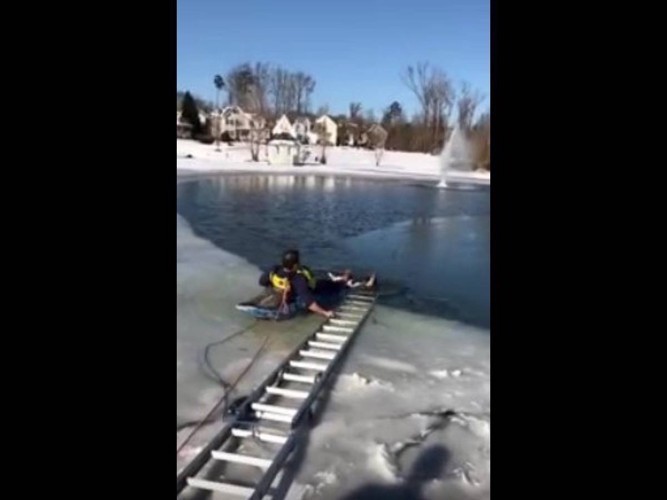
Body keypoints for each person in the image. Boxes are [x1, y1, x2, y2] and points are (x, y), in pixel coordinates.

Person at [258, 249, 375, 319]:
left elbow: (262, 282)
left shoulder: (273, 270)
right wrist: (325, 312)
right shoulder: (299, 278)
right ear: (294, 265)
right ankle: (352, 282)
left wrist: (277, 289)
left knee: (327, 282)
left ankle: (343, 279)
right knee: (337, 288)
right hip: (313, 291)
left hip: (290, 291)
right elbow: (309, 303)